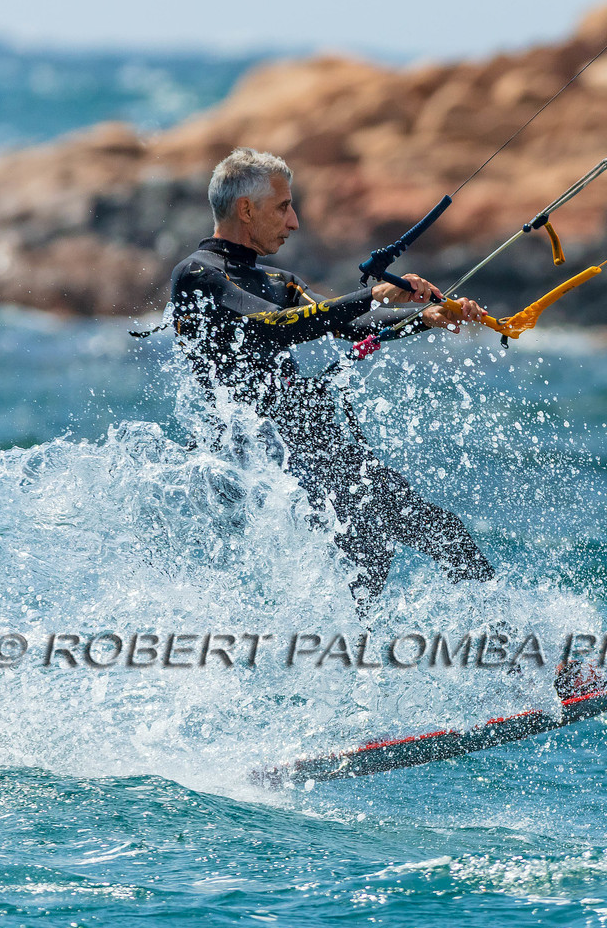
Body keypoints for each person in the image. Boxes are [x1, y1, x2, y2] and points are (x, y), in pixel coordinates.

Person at [168, 147, 496, 612]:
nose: (294, 221)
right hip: (268, 464)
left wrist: (429, 316)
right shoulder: (199, 275)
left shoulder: (279, 280)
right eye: (283, 206)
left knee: (439, 537)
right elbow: (276, 325)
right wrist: (370, 295)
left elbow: (348, 327)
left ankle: (534, 669)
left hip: (319, 444)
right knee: (362, 568)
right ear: (246, 209)